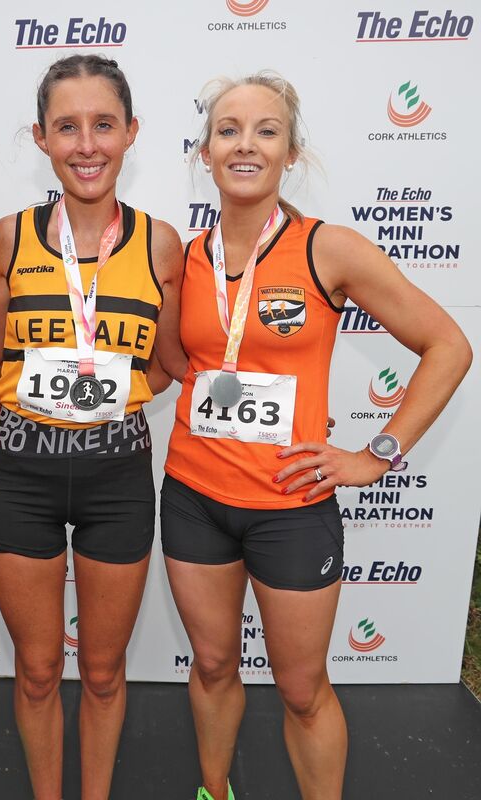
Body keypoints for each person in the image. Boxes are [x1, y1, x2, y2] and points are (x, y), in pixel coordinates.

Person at [156, 72, 472, 800]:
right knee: (211, 666)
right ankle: (214, 791)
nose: (245, 144)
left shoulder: (330, 250)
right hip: (194, 497)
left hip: (292, 506)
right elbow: (178, 361)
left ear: (291, 152)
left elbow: (448, 346)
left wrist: (375, 454)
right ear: (204, 151)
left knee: (302, 690)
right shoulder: (185, 257)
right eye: (228, 129)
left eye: (266, 130)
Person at [0, 55, 182, 800]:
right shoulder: (9, 236)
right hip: (21, 480)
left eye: (104, 124)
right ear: (41, 138)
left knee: (101, 673)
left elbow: (172, 364)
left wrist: (119, 398)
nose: (87, 144)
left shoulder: (162, 243)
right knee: (37, 671)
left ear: (132, 133)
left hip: (117, 481)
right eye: (67, 126)